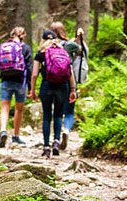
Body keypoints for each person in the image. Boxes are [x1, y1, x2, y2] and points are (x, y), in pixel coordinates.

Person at [28, 30, 77, 158]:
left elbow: (34, 74)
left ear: (43, 40)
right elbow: (70, 72)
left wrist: (32, 91)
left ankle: (46, 147)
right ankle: (56, 142)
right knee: (58, 115)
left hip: (47, 86)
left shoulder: (40, 54)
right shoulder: (63, 52)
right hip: (62, 86)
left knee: (46, 116)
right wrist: (73, 90)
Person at [49, 22, 88, 150]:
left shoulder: (49, 45)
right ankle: (66, 130)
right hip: (69, 80)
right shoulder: (70, 45)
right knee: (69, 111)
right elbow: (82, 51)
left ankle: (56, 139)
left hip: (53, 83)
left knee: (58, 112)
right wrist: (78, 38)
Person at [0, 27, 33, 148]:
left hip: (5, 80)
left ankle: (2, 131)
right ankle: (16, 136)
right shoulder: (25, 48)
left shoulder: (4, 46)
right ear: (22, 35)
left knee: (4, 108)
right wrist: (31, 87)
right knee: (19, 109)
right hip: (20, 82)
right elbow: (29, 67)